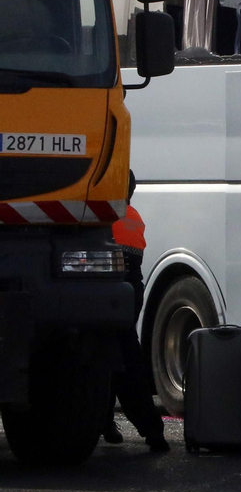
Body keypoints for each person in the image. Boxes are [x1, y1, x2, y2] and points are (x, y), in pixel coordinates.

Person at [105, 173, 169, 452]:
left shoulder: (106, 213)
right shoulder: (134, 215)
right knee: (122, 353)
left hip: (110, 287)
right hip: (132, 288)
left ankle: (144, 427)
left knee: (115, 356)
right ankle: (119, 425)